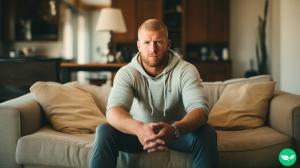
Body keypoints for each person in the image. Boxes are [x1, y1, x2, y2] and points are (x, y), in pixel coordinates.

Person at [89, 19, 219, 168]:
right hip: (137, 134)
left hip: (176, 134)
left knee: (207, 133)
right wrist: (139, 129)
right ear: (138, 45)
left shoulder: (186, 70)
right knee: (104, 130)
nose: (153, 49)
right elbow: (113, 111)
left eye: (158, 42)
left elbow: (200, 110)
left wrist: (175, 129)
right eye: (147, 42)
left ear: (168, 44)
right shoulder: (127, 73)